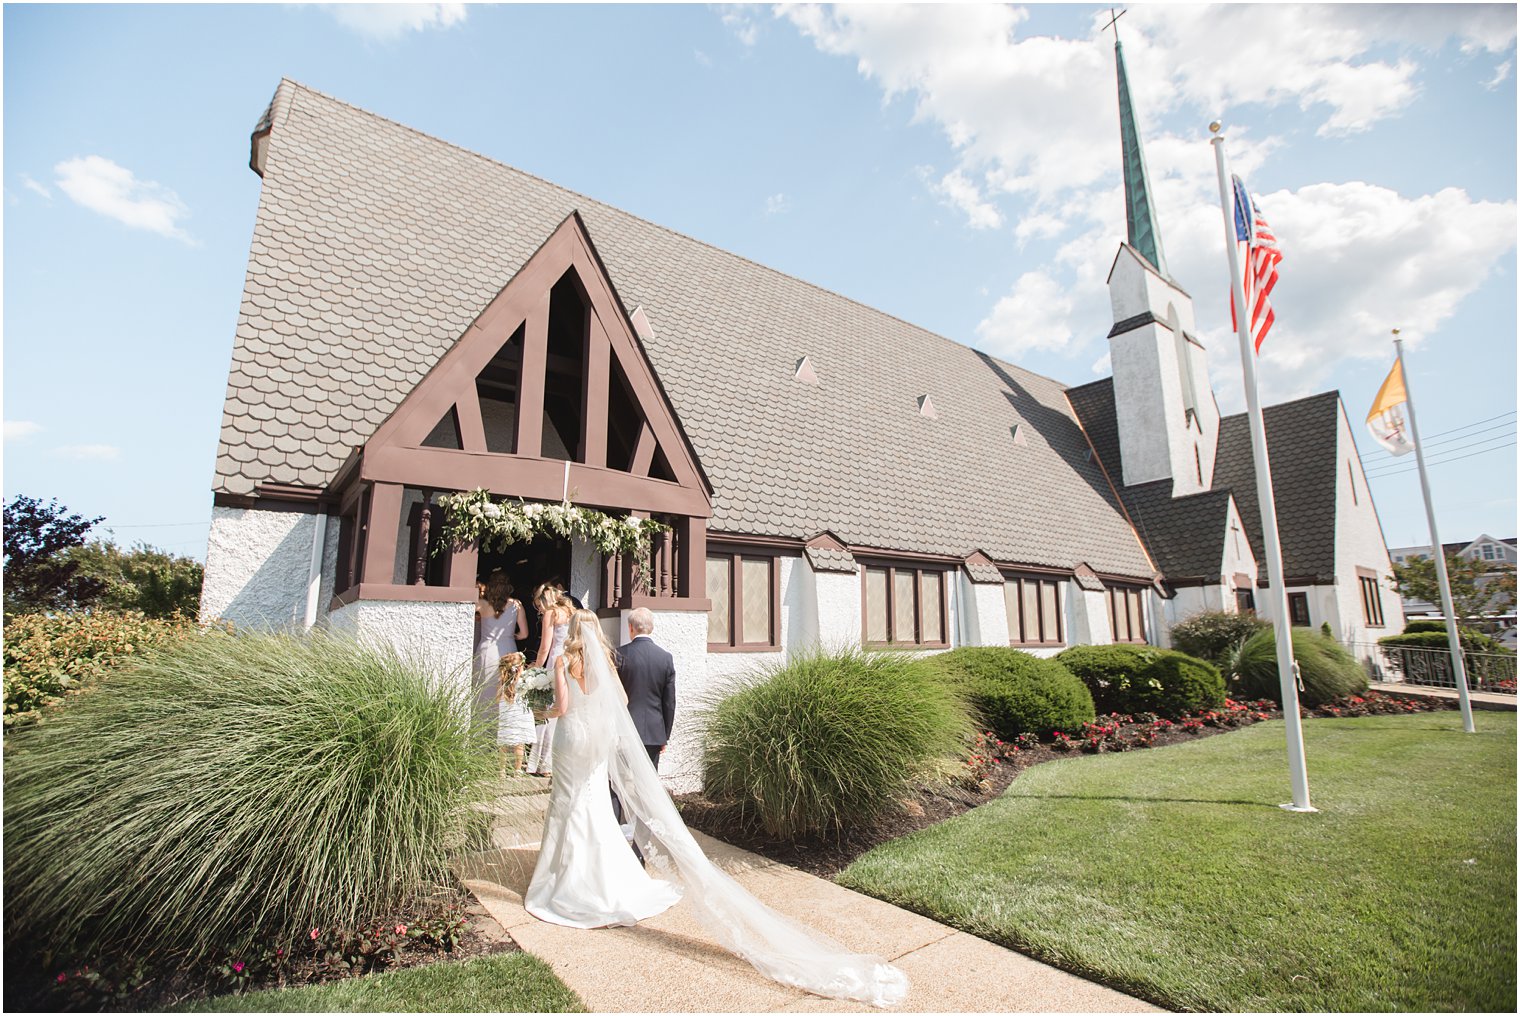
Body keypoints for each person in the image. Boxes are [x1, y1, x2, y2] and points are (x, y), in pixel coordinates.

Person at [524, 610, 908, 1008]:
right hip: (600, 741)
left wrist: (540, 709)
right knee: (596, 807)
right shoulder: (606, 660)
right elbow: (621, 700)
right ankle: (609, 880)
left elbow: (562, 708)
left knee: (572, 804)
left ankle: (570, 881)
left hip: (572, 740)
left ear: (571, 630)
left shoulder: (561, 660)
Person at [616, 607, 676, 770]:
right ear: (651, 627)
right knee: (648, 784)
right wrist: (664, 736)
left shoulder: (618, 654)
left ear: (631, 628)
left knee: (619, 781)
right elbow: (669, 702)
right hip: (653, 731)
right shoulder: (665, 658)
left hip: (624, 728)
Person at [526, 583, 573, 776]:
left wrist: (536, 669)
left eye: (539, 605)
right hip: (571, 660)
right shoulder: (570, 611)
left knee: (547, 710)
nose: (539, 610)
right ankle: (557, 761)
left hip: (555, 661)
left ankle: (542, 764)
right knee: (565, 708)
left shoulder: (551, 614)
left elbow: (545, 646)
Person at [474, 571, 527, 726]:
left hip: (486, 651)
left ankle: (480, 734)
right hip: (508, 649)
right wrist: (511, 636)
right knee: (507, 692)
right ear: (508, 587)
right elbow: (524, 634)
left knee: (483, 693)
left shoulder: (482, 604)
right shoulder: (517, 605)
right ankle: (504, 733)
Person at [496, 652, 535, 775]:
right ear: (520, 667)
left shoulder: (503, 681)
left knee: (503, 744)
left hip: (507, 719)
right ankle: (517, 770)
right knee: (519, 744)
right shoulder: (524, 680)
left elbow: (498, 699)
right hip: (520, 717)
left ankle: (502, 770)